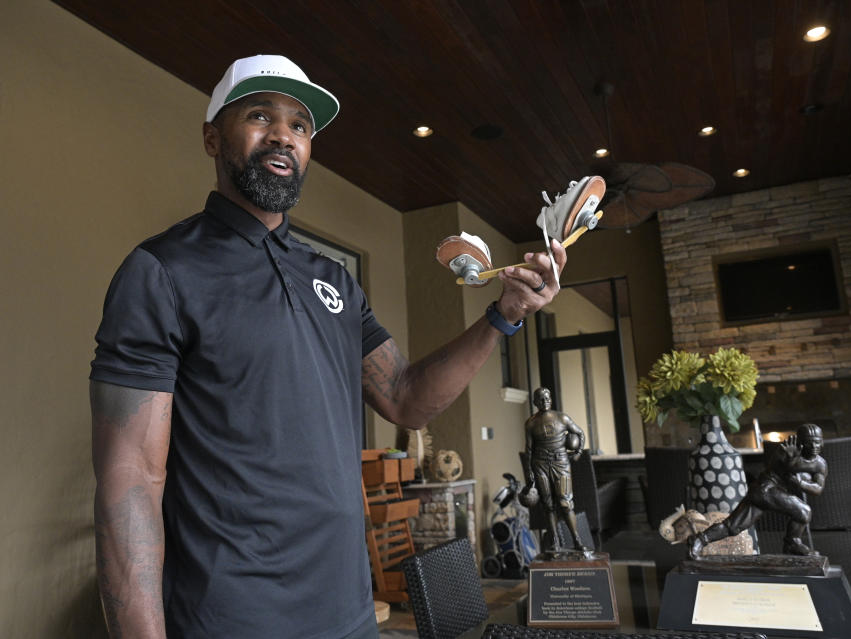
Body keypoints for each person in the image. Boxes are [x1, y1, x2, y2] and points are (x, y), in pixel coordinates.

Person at [89, 54, 568, 639]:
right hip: (231, 618)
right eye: (261, 115)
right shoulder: (162, 271)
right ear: (213, 138)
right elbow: (130, 480)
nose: (283, 136)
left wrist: (505, 315)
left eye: (300, 125)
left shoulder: (334, 281)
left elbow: (406, 399)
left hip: (348, 613)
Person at [688, 423, 827, 558]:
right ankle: (792, 543)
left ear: (822, 443)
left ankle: (700, 539)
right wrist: (788, 460)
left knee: (733, 526)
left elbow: (818, 489)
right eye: (809, 443)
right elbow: (777, 467)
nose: (814, 447)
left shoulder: (820, 464)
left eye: (817, 442)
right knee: (804, 512)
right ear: (800, 443)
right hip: (766, 490)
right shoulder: (787, 451)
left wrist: (800, 483)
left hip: (770, 494)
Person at [523, 387, 587, 554]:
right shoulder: (531, 423)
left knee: (566, 503)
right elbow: (529, 449)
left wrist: (579, 452)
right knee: (548, 504)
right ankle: (555, 542)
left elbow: (580, 433)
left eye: (547, 398)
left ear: (551, 399)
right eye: (540, 399)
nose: (544, 402)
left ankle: (577, 541)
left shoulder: (562, 417)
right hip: (540, 464)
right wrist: (528, 470)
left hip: (561, 462)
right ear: (535, 402)